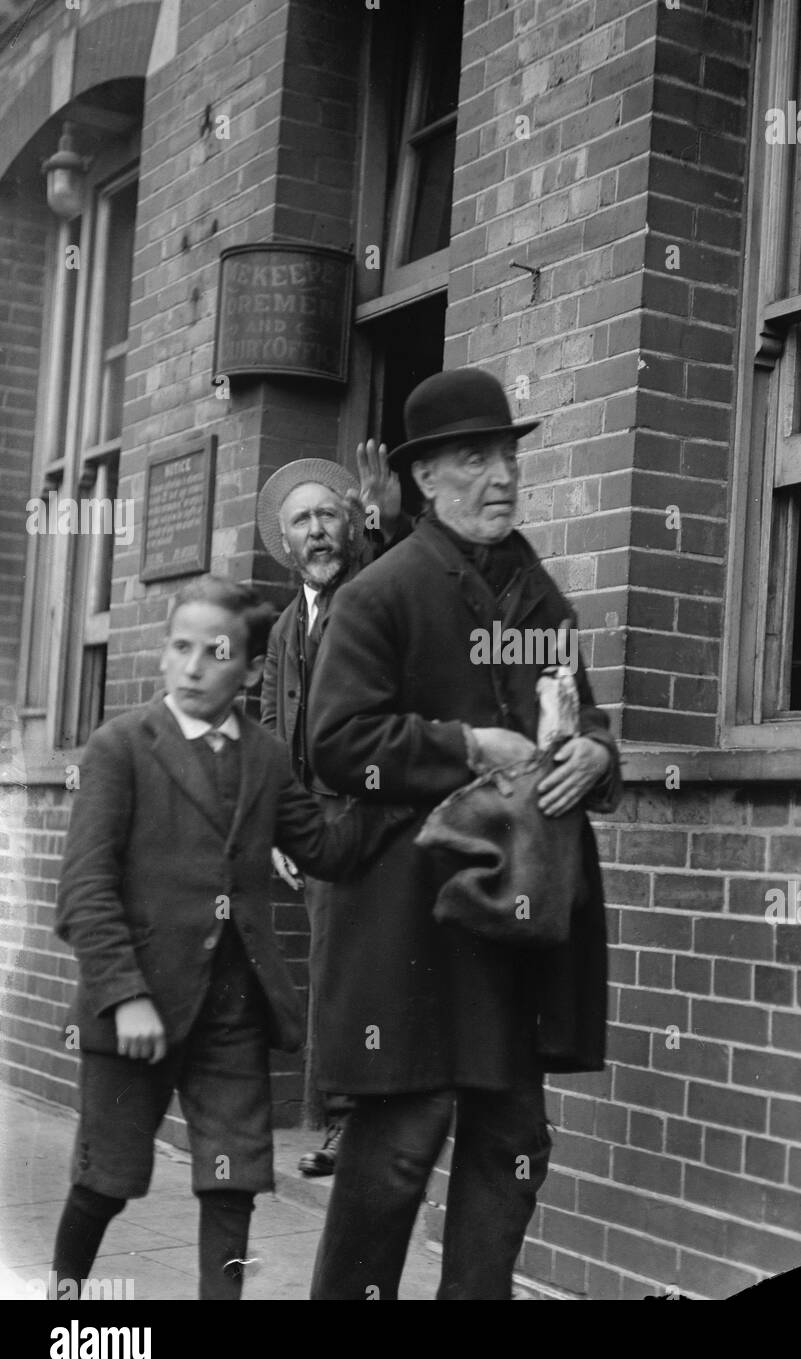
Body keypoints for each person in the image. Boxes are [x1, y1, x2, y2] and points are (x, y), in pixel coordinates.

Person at [306, 368, 621, 1300]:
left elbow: (582, 719)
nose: (501, 477)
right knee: (400, 1142)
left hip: (518, 917)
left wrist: (597, 757)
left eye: (509, 456)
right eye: (474, 458)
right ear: (425, 481)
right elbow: (336, 744)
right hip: (415, 919)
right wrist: (463, 745)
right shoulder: (384, 593)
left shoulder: (536, 596)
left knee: (513, 1138)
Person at [51, 575, 403, 1300]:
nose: (191, 666)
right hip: (136, 1006)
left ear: (247, 672)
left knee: (233, 1178)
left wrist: (394, 781)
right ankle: (65, 1292)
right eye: (179, 647)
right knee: (106, 1177)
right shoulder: (121, 748)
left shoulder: (266, 758)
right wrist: (124, 996)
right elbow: (83, 891)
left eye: (214, 652)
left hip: (231, 1005)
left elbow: (329, 852)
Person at [257, 448, 405, 1177]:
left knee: (356, 967)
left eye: (328, 516)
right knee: (335, 968)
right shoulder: (287, 627)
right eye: (301, 522)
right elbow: (268, 728)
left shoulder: (371, 595)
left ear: (350, 527)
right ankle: (350, 1120)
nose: (316, 532)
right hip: (314, 822)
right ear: (285, 544)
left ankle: (358, 1123)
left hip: (374, 813)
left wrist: (383, 516)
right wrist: (276, 826)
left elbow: (402, 578)